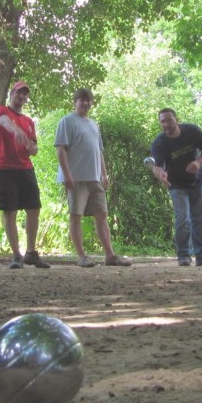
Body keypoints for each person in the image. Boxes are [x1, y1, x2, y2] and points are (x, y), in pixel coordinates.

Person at [54, 88, 130, 268]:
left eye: (88, 101)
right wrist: (67, 174)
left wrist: (104, 174)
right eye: (82, 100)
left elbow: (99, 151)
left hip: (94, 177)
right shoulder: (67, 121)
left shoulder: (94, 124)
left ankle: (110, 256)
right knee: (76, 215)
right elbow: (60, 149)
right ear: (75, 101)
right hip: (76, 178)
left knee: (102, 214)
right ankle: (82, 257)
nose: (86, 103)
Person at [0, 81, 51, 269]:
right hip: (4, 168)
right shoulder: (1, 111)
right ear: (12, 93)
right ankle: (16, 254)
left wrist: (32, 148)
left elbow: (34, 149)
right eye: (19, 93)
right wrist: (15, 129)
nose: (22, 97)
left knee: (34, 208)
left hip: (25, 168)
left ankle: (31, 253)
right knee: (10, 211)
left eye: (25, 95)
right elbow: (4, 123)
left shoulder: (29, 122)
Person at [149, 108, 202, 267]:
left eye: (169, 120)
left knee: (199, 218)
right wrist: (160, 174)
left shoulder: (192, 131)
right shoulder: (159, 142)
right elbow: (156, 167)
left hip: (197, 182)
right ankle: (183, 255)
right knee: (183, 219)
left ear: (176, 119)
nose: (166, 124)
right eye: (162, 121)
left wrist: (198, 163)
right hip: (176, 184)